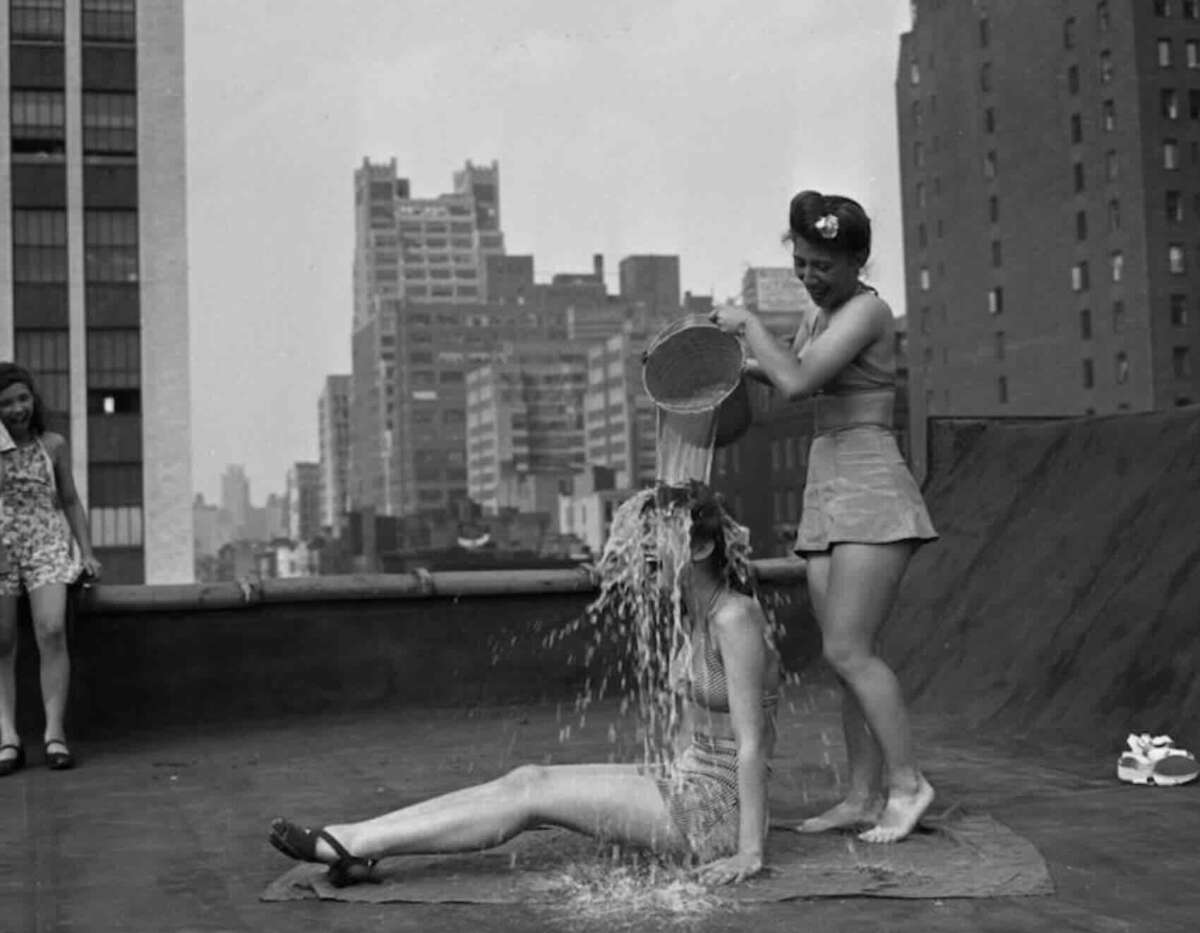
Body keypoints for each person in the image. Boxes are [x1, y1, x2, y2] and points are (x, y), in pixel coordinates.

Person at [269, 484, 782, 887]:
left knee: (534, 793)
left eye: (659, 533)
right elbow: (693, 729)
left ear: (702, 547)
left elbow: (753, 742)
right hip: (686, 779)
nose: (646, 545)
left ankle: (350, 842)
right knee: (526, 778)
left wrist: (749, 851)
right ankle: (364, 840)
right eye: (645, 533)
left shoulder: (735, 618)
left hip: (713, 812)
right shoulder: (689, 611)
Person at [710, 190, 938, 844]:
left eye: (823, 266)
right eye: (802, 264)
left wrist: (748, 324)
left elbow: (800, 381)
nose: (811, 277)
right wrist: (719, 357)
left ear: (859, 260)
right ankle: (863, 794)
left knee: (849, 647)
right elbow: (781, 374)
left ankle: (907, 783)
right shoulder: (818, 319)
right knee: (843, 658)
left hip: (870, 482)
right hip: (827, 482)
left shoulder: (868, 311)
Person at [0, 363, 102, 776]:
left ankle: (54, 733)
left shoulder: (53, 444)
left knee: (52, 628)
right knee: (1, 640)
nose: (17, 409)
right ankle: (7, 736)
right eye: (5, 403)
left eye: (23, 399)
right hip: (1, 546)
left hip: (46, 542)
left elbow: (71, 500)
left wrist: (88, 551)